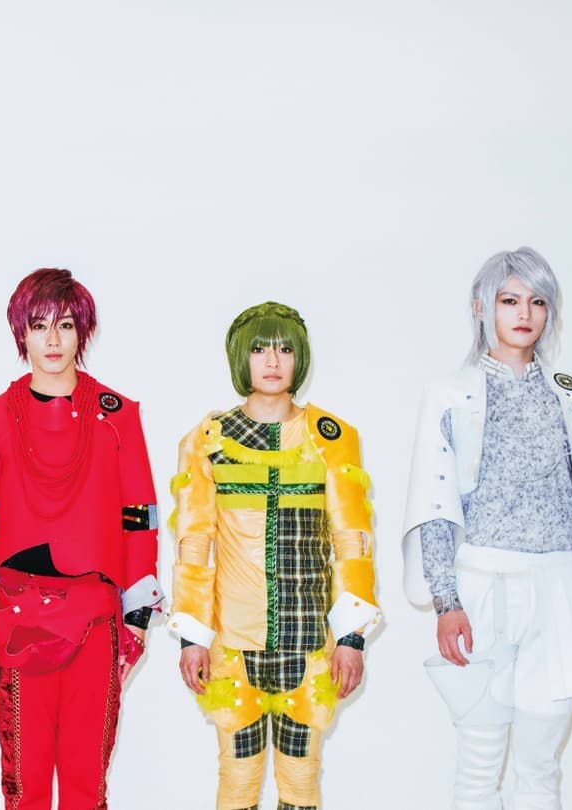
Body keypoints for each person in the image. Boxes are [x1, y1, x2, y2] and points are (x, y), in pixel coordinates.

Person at [401, 248, 572, 810]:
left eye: (538, 302)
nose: (524, 314)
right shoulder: (449, 395)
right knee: (479, 761)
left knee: (539, 765)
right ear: (481, 306)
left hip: (560, 589)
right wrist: (446, 602)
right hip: (481, 587)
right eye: (509, 300)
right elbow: (435, 503)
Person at [0, 268, 160, 810]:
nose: (52, 339)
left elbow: (139, 520)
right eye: (39, 324)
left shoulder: (118, 415)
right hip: (18, 620)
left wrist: (137, 620)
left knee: (86, 785)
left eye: (65, 325)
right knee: (23, 786)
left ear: (82, 332)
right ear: (21, 332)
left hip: (97, 619)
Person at [170, 301, 379, 810]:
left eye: (284, 349)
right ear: (240, 357)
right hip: (233, 645)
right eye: (260, 348)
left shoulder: (332, 437)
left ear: (299, 358)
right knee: (237, 781)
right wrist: (192, 637)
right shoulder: (207, 440)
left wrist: (351, 636)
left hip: (308, 645)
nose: (271, 361)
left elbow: (351, 538)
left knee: (301, 782)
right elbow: (194, 542)